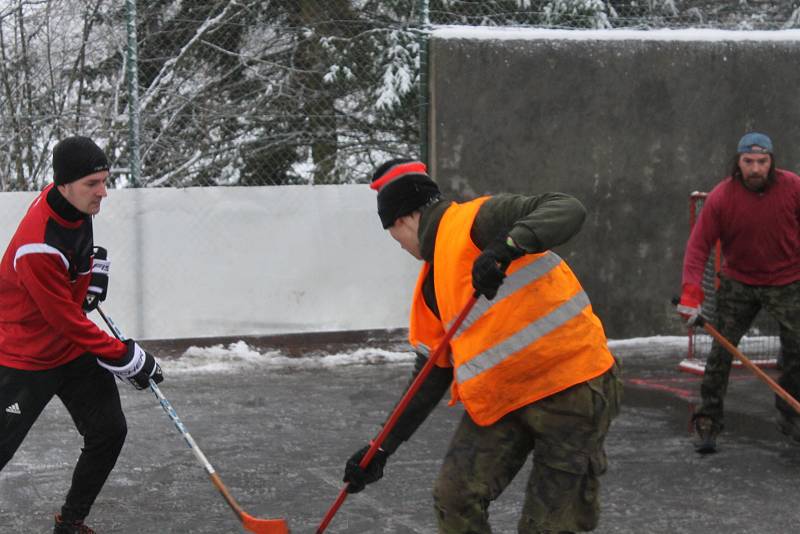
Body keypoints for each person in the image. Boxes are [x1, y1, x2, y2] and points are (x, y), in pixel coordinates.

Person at [342, 159, 622, 533]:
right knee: (455, 497)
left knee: (547, 526)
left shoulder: (478, 220)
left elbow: (568, 208)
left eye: (395, 237)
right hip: (504, 400)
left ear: (405, 219)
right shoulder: (431, 287)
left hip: (572, 387)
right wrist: (380, 449)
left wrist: (505, 247)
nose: (402, 248)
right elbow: (428, 378)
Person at [0, 136, 164, 534]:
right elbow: (66, 321)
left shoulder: (75, 205)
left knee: (109, 430)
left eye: (105, 181)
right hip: (25, 357)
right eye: (94, 183)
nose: (103, 192)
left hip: (68, 350)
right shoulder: (37, 245)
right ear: (64, 183)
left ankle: (70, 523)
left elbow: (75, 261)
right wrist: (126, 356)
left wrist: (89, 276)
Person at [678, 131, 800, 454]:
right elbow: (698, 247)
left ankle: (791, 414)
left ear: (772, 162)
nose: (756, 169)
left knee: (798, 348)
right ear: (738, 163)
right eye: (749, 162)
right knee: (720, 352)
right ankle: (708, 420)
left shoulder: (793, 188)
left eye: (762, 161)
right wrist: (691, 296)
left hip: (788, 280)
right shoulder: (722, 197)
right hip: (739, 282)